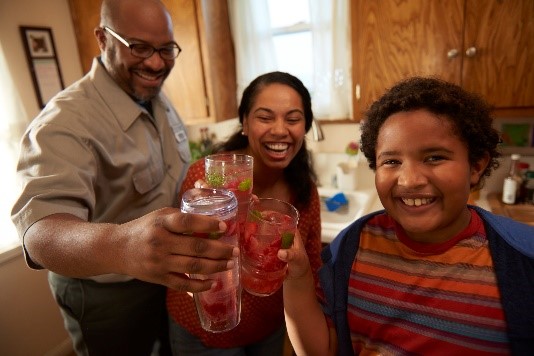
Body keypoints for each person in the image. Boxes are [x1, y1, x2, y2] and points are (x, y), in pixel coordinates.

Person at [10, 0, 238, 355]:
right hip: (106, 295)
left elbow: (169, 176)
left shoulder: (157, 97)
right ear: (103, 38)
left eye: (165, 49)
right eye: (139, 47)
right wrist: (123, 246)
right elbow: (38, 234)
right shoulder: (64, 122)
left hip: (165, 278)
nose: (156, 63)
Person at [281, 76, 534, 355]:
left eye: (434, 157)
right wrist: (299, 280)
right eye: (391, 161)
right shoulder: (352, 246)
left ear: (475, 166)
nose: (410, 180)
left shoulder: (522, 261)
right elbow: (322, 349)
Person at [166, 71, 323, 355]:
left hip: (268, 328)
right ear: (245, 124)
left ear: (305, 127)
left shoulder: (304, 192)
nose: (279, 130)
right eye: (265, 117)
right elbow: (183, 256)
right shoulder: (207, 178)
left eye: (293, 118)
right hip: (205, 329)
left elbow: (312, 264)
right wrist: (207, 214)